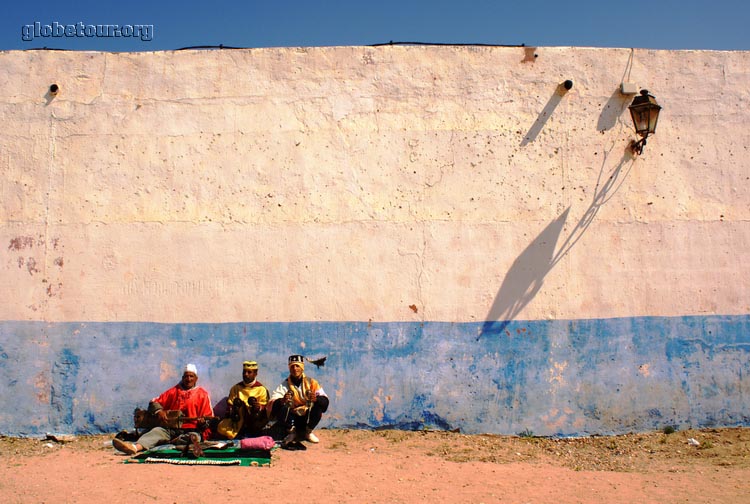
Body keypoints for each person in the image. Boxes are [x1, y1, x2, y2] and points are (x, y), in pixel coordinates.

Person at [113, 363, 214, 455]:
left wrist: (203, 422)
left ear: (196, 379)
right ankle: (134, 448)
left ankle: (172, 441)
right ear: (183, 378)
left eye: (191, 376)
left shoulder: (202, 395)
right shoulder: (173, 391)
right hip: (170, 429)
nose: (188, 379)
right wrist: (159, 411)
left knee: (194, 438)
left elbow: (209, 418)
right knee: (156, 432)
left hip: (191, 430)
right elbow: (154, 402)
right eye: (186, 376)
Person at [268, 354, 329, 450]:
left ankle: (308, 432)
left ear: (302, 368)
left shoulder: (312, 382)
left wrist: (316, 399)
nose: (295, 369)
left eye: (297, 366)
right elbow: (272, 403)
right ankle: (292, 432)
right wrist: (283, 400)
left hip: (306, 417)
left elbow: (325, 401)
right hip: (292, 418)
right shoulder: (285, 385)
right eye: (292, 366)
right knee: (282, 406)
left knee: (318, 406)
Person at [216, 360, 270, 439]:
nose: (246, 374)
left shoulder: (261, 389)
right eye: (244, 372)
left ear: (255, 374)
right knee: (222, 427)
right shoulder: (236, 388)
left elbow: (265, 408)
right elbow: (230, 406)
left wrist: (258, 407)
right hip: (237, 420)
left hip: (253, 420)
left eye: (249, 372)